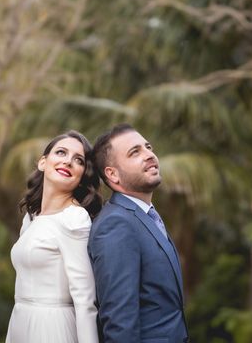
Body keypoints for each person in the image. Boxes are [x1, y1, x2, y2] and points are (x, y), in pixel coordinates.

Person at [88, 123, 190, 342]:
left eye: (148, 147)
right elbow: (119, 320)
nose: (149, 155)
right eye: (135, 152)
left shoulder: (146, 216)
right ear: (112, 174)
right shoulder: (116, 224)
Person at [6, 130, 102, 343]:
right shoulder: (31, 218)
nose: (68, 161)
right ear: (43, 162)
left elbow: (85, 300)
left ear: (82, 174)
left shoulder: (75, 218)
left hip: (53, 328)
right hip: (20, 323)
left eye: (78, 160)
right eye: (61, 153)